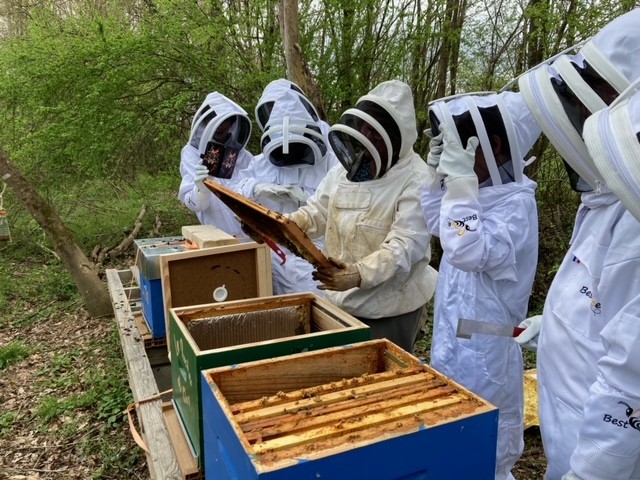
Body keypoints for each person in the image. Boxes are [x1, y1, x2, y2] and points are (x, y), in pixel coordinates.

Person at [512, 8, 640, 480]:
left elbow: (629, 390)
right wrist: (556, 322)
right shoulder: (606, 199)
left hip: (600, 451)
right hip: (568, 425)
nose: (582, 120)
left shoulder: (633, 218)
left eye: (597, 94)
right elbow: (605, 304)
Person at [420, 91, 541, 480]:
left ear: (495, 146)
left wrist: (460, 186)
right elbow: (435, 223)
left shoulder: (516, 206)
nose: (454, 160)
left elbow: (465, 248)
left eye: (460, 149)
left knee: (488, 449)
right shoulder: (479, 193)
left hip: (487, 352)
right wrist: (437, 180)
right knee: (451, 433)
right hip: (453, 339)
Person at [288, 79, 437, 352]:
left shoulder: (417, 178)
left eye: (377, 130)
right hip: (337, 303)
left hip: (390, 310)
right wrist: (293, 223)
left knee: (384, 376)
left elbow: (405, 245)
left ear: (397, 136)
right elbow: (319, 210)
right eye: (366, 126)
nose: (368, 135)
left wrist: (358, 274)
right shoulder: (345, 170)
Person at [232, 79, 338, 295]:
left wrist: (307, 198)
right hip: (273, 257)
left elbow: (344, 199)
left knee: (318, 310)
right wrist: (257, 188)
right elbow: (235, 193)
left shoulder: (331, 159)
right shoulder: (261, 162)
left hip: (316, 256)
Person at [178, 91, 253, 238]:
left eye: (223, 123)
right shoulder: (192, 153)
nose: (219, 128)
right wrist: (202, 189)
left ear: (232, 123)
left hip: (250, 237)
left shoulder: (244, 156)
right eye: (213, 122)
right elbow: (196, 205)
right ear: (205, 123)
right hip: (215, 238)